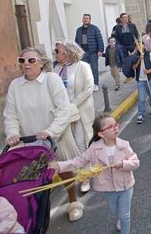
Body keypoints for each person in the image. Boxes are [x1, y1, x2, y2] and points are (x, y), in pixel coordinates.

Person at [3, 47, 84, 222]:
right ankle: (38, 215)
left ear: (41, 62)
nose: (26, 64)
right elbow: (10, 114)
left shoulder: (51, 79)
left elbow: (63, 109)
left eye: (31, 60)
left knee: (63, 171)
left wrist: (50, 131)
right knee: (34, 178)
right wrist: (13, 133)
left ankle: (74, 202)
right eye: (22, 61)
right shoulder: (15, 86)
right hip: (30, 140)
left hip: (56, 136)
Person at [49, 115, 140, 234]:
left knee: (125, 215)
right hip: (108, 189)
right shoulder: (94, 148)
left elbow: (135, 162)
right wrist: (59, 166)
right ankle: (120, 219)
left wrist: (123, 164)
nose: (115, 128)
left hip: (125, 186)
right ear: (101, 134)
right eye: (110, 127)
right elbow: (78, 161)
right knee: (115, 210)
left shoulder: (124, 145)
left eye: (116, 125)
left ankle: (124, 226)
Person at [54, 39, 96, 193]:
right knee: (67, 146)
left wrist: (72, 106)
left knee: (79, 144)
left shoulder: (83, 67)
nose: (55, 54)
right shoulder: (56, 69)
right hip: (62, 115)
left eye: (57, 51)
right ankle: (73, 172)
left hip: (78, 112)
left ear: (67, 52)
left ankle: (84, 176)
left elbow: (88, 89)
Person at [132, 29, 151, 124]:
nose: (140, 46)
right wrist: (139, 59)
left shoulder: (149, 54)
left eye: (141, 44)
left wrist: (149, 71)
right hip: (140, 80)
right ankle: (140, 114)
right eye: (138, 45)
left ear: (144, 45)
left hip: (150, 78)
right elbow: (134, 67)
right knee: (141, 98)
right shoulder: (135, 56)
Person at [74, 14, 104, 91]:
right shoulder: (79, 30)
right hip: (83, 53)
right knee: (84, 69)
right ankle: (87, 84)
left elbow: (99, 40)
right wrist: (77, 51)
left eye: (87, 18)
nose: (85, 20)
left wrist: (100, 50)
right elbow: (76, 42)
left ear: (90, 20)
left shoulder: (94, 28)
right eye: (84, 18)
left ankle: (95, 84)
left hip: (93, 53)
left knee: (94, 68)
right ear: (82, 20)